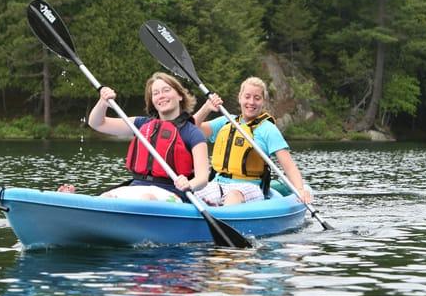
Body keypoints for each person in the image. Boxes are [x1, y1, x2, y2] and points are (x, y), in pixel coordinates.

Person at [84, 72, 209, 202]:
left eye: (166, 90)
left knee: (146, 199)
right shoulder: (141, 124)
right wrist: (102, 102)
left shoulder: (192, 132)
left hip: (173, 192)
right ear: (152, 101)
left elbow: (202, 179)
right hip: (137, 186)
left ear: (180, 96)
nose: (161, 96)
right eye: (155, 93)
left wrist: (189, 184)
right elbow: (97, 123)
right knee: (106, 197)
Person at [192, 76, 312, 206]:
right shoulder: (226, 121)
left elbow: (289, 166)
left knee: (233, 196)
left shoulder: (268, 129)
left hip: (249, 187)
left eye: (257, 98)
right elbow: (191, 128)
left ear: (263, 101)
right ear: (240, 98)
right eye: (247, 96)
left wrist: (300, 190)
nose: (251, 102)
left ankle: (225, 220)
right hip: (217, 183)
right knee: (191, 194)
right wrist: (206, 108)